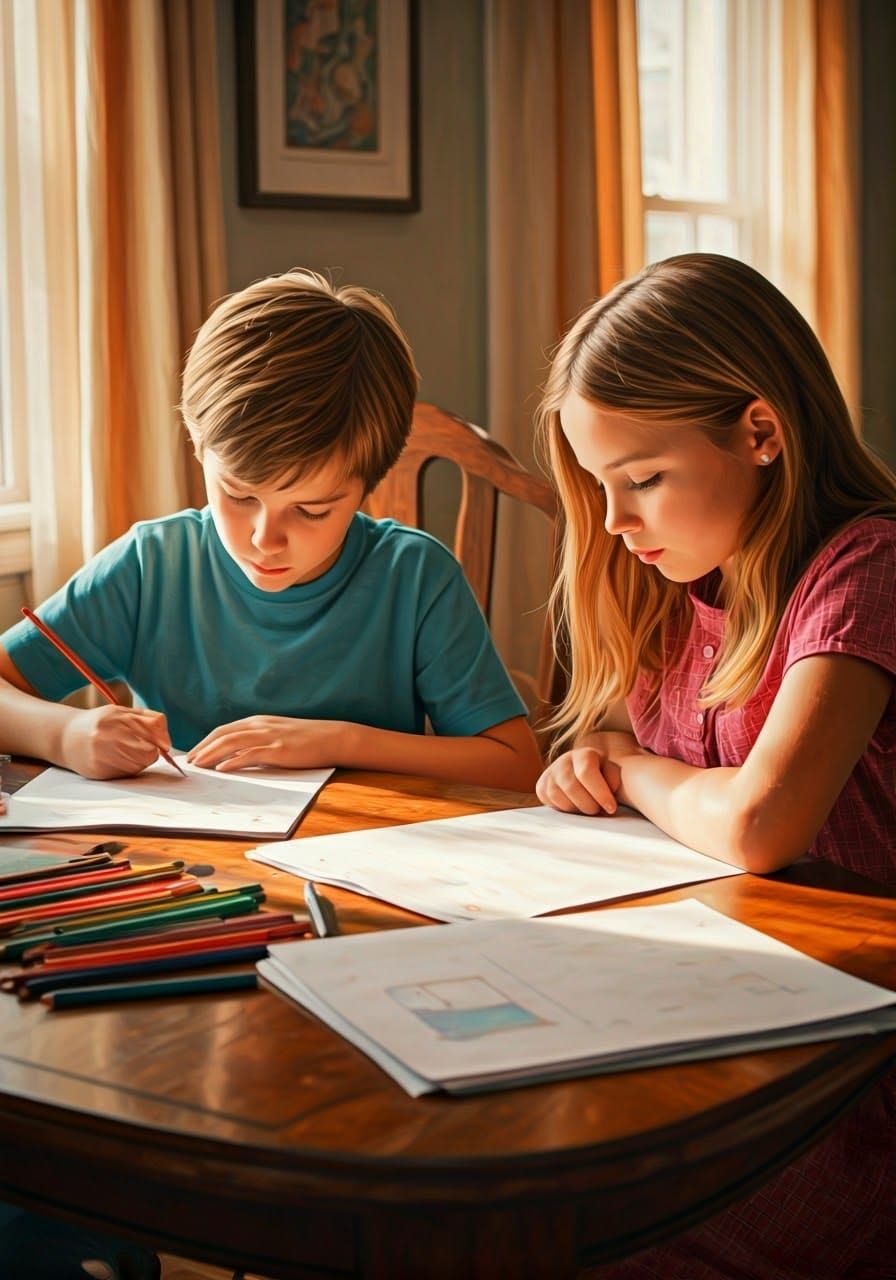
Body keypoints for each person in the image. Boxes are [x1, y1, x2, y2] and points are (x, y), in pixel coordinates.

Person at [534, 253, 895, 1279]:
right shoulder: (677, 581)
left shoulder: (863, 564)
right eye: (598, 484)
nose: (612, 520)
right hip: (705, 1014)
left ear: (760, 431)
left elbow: (755, 823)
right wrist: (593, 767)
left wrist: (634, 768)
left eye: (641, 478)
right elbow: (633, 769)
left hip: (840, 1070)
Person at [0, 269, 541, 794]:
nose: (265, 538)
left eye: (311, 510)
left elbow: (515, 764)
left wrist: (339, 742)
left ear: (366, 486)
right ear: (198, 446)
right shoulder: (151, 566)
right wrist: (65, 733)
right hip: (189, 867)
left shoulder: (415, 576)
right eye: (239, 496)